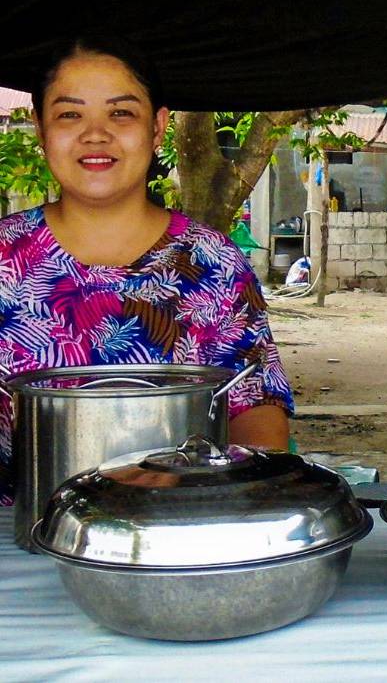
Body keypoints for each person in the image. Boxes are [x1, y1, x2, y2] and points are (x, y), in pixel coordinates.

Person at [0, 35, 293, 505]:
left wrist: (231, 503)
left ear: (157, 127)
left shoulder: (212, 264)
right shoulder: (4, 259)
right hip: (16, 542)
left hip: (175, 537)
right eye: (69, 114)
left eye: (121, 113)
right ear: (39, 128)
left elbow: (256, 411)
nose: (96, 134)